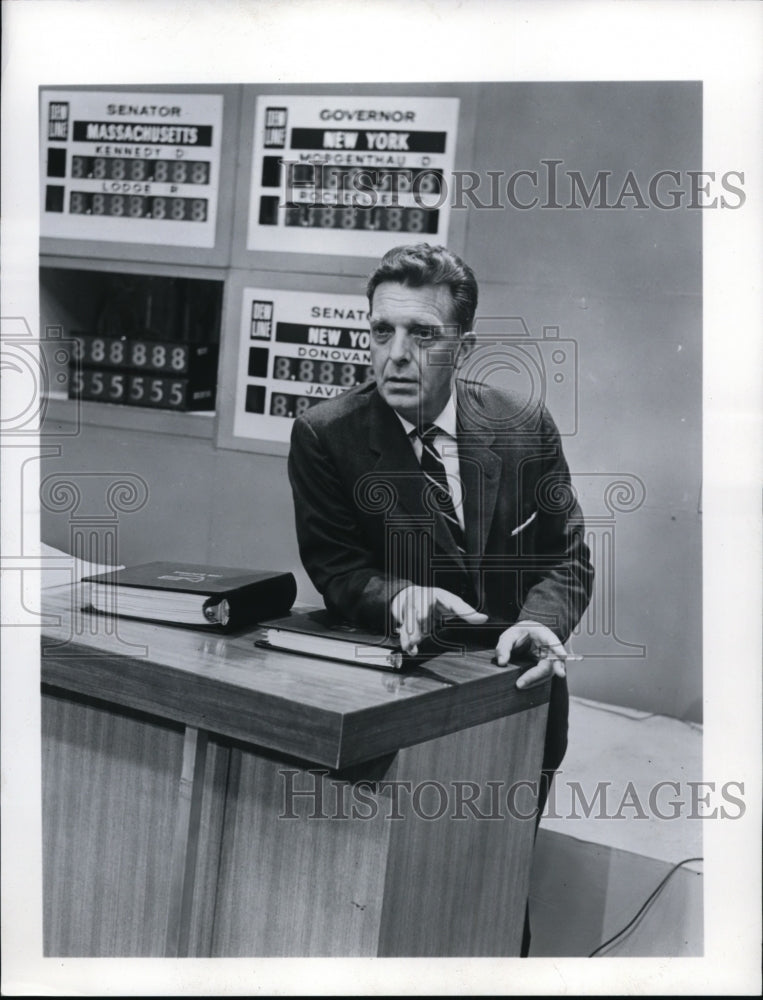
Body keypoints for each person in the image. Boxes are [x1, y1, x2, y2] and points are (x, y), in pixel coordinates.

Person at [287, 243, 594, 951]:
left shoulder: (523, 429)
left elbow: (567, 556)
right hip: (399, 707)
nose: (395, 353)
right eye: (380, 331)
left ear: (464, 345)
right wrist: (399, 599)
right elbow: (337, 569)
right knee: (397, 910)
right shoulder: (324, 437)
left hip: (515, 698)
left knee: (494, 891)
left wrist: (539, 623)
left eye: (421, 334)